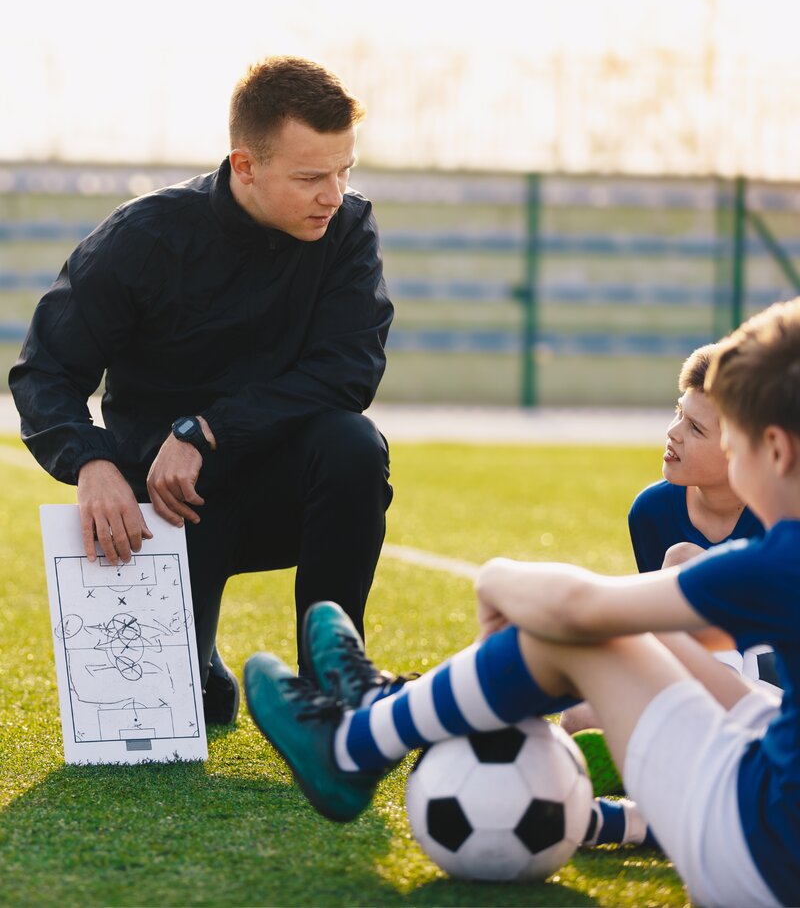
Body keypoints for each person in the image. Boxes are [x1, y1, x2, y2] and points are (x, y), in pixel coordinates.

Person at [244, 298, 800, 907]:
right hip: (773, 751)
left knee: (584, 635)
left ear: (775, 449)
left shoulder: (784, 555)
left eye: (738, 444)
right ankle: (393, 719)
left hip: (767, 855)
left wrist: (499, 578)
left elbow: (577, 611)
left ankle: (358, 740)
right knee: (648, 628)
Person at [8, 56, 395, 726]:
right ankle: (200, 657)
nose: (333, 194)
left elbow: (349, 368)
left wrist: (204, 428)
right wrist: (90, 461)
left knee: (353, 445)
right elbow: (44, 370)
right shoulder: (141, 237)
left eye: (344, 171)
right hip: (163, 508)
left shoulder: (347, 229)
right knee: (185, 711)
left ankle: (332, 687)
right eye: (310, 177)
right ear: (245, 166)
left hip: (280, 491)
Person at [561, 343, 770, 769]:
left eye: (695, 428)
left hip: (768, 691)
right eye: (678, 412)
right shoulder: (652, 511)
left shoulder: (781, 516)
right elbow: (663, 637)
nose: (673, 432)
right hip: (690, 679)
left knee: (684, 558)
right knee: (577, 719)